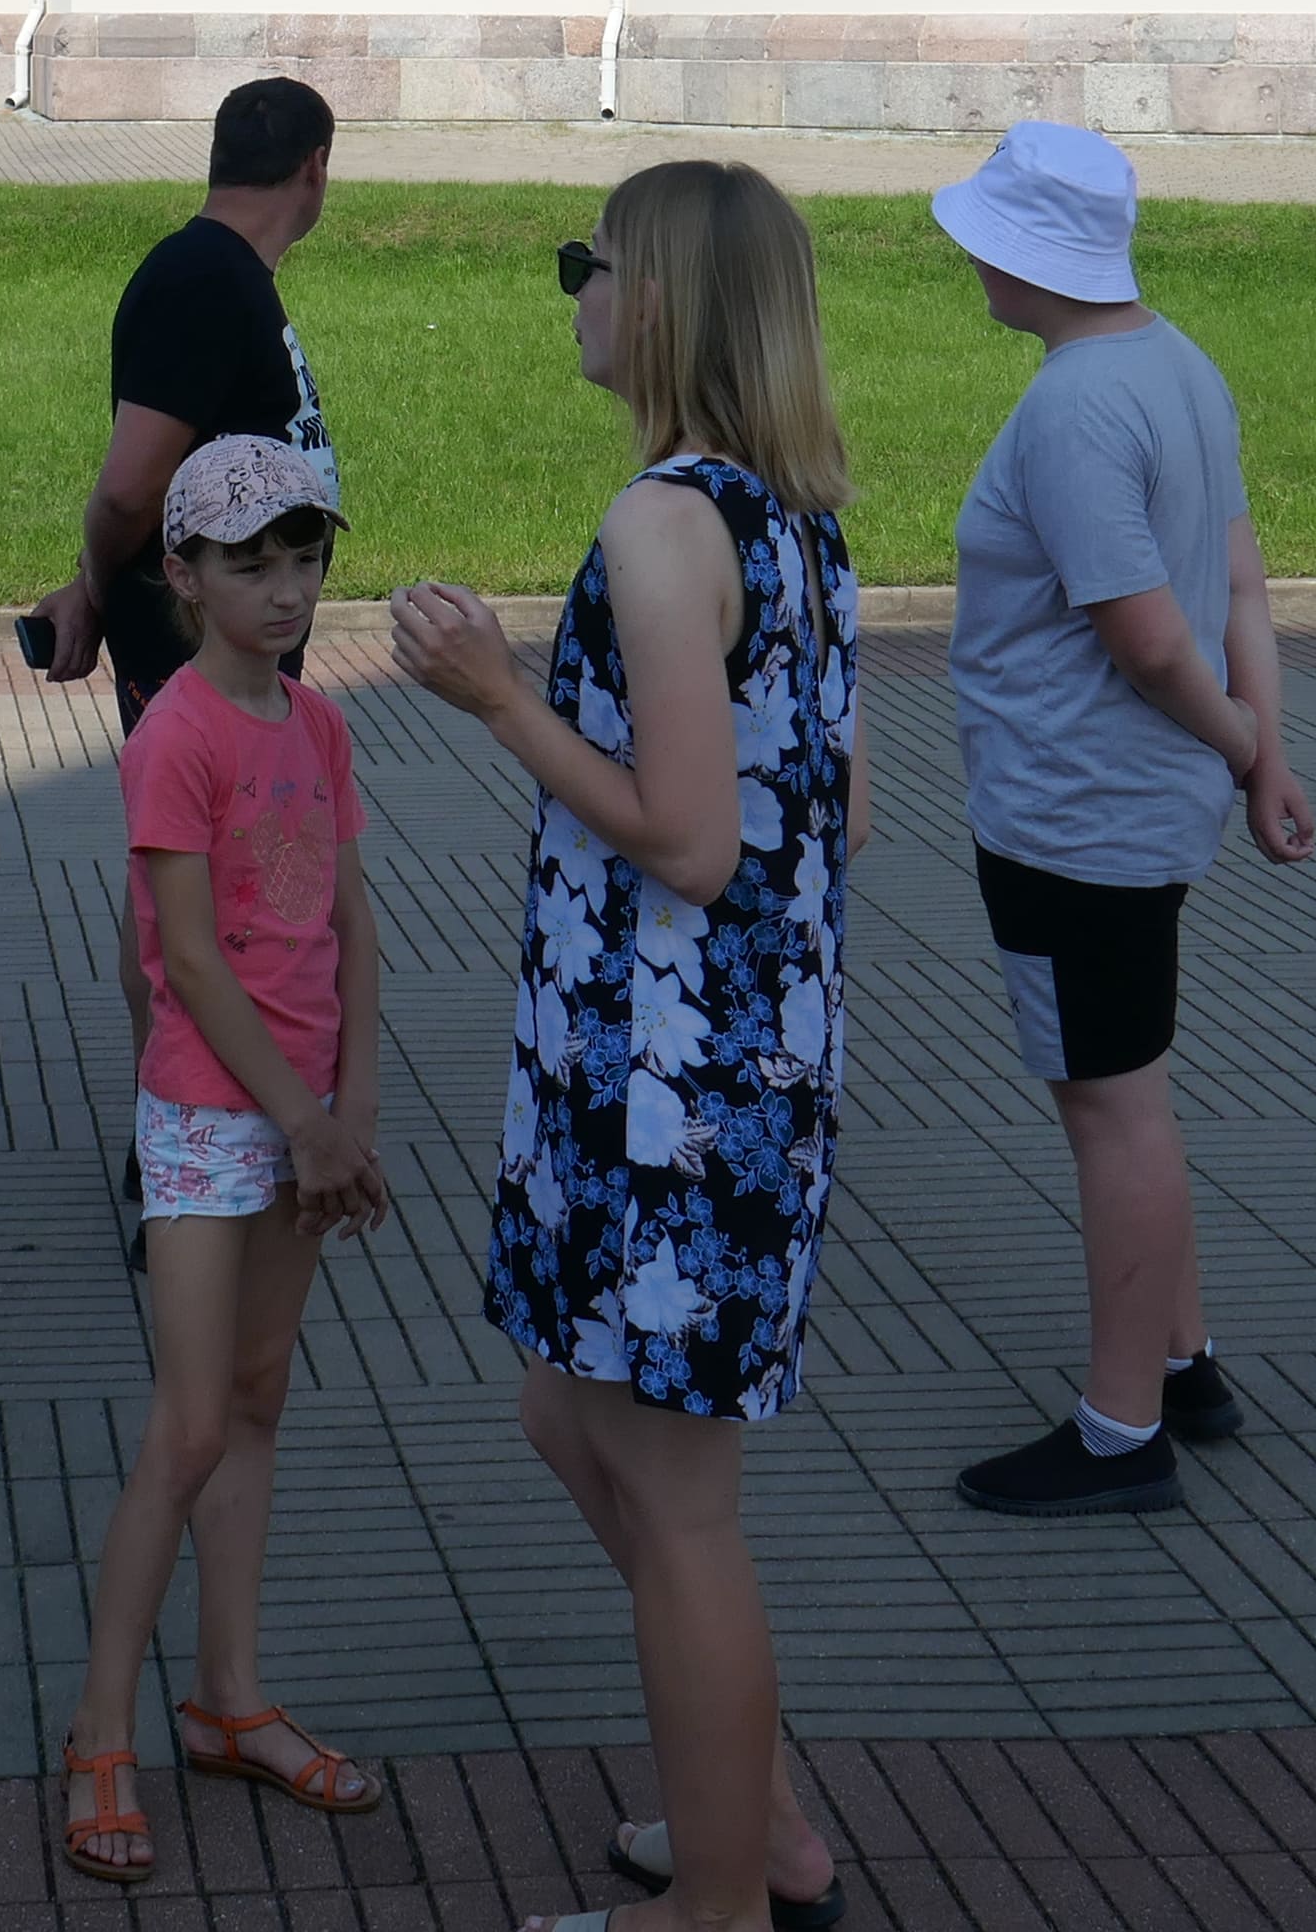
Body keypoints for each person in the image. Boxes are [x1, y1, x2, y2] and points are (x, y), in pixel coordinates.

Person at [393, 159, 858, 1932]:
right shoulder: (795, 514)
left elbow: (693, 838)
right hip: (691, 1061)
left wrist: (497, 690)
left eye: (589, 259)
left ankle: (728, 1897)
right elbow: (837, 802)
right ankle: (758, 1824)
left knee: (677, 1507)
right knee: (564, 1412)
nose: (570, 283)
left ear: (654, 299)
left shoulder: (669, 523)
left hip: (676, 1085)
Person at [924, 120, 1316, 1521]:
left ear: (1026, 252)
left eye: (980, 236)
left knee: (1112, 1107)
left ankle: (1120, 1427)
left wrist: (1234, 746)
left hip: (1073, 812)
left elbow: (1152, 638)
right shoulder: (1179, 364)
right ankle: (1184, 1358)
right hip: (1130, 806)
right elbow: (1242, 580)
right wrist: (1260, 752)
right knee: (1130, 1086)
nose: (964, 256)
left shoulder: (1076, 406)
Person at [54, 436, 390, 1887]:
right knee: (188, 1430)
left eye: (304, 560)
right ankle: (100, 1736)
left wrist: (347, 1110)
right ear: (181, 576)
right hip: (208, 1113)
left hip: (307, 1112)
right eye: (249, 564)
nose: (284, 591)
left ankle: (229, 1700)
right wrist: (298, 1119)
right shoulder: (175, 734)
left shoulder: (319, 730)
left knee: (258, 1402)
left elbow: (357, 932)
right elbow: (188, 963)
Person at [36, 74, 341, 712]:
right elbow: (128, 492)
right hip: (195, 663)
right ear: (315, 167)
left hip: (231, 655)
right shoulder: (200, 280)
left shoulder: (225, 272)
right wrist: (93, 587)